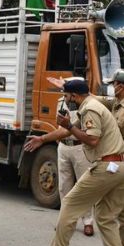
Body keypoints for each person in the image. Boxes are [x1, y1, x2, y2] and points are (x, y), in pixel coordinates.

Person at [25, 79, 124, 246]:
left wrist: (70, 126)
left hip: (107, 166)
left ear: (75, 95)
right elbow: (65, 131)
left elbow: (92, 139)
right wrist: (42, 139)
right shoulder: (89, 106)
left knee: (70, 202)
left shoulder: (91, 109)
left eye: (67, 96)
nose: (65, 99)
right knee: (105, 216)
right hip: (118, 166)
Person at [55, 92, 94, 237]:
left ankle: (88, 222)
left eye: (68, 92)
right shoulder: (60, 101)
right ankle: (64, 221)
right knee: (64, 186)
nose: (65, 95)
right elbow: (57, 122)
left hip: (79, 146)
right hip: (64, 147)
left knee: (84, 184)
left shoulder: (85, 104)